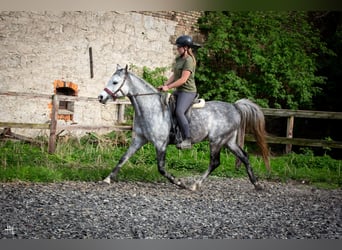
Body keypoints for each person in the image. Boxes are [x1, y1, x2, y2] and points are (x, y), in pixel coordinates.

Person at [158, 35, 197, 149]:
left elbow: (183, 79)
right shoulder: (179, 59)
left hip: (188, 91)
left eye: (179, 47)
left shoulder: (189, 61)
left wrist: (169, 87)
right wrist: (165, 85)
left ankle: (187, 139)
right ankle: (172, 133)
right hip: (179, 90)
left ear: (185, 48)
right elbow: (175, 75)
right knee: (165, 105)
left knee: (179, 111)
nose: (177, 49)